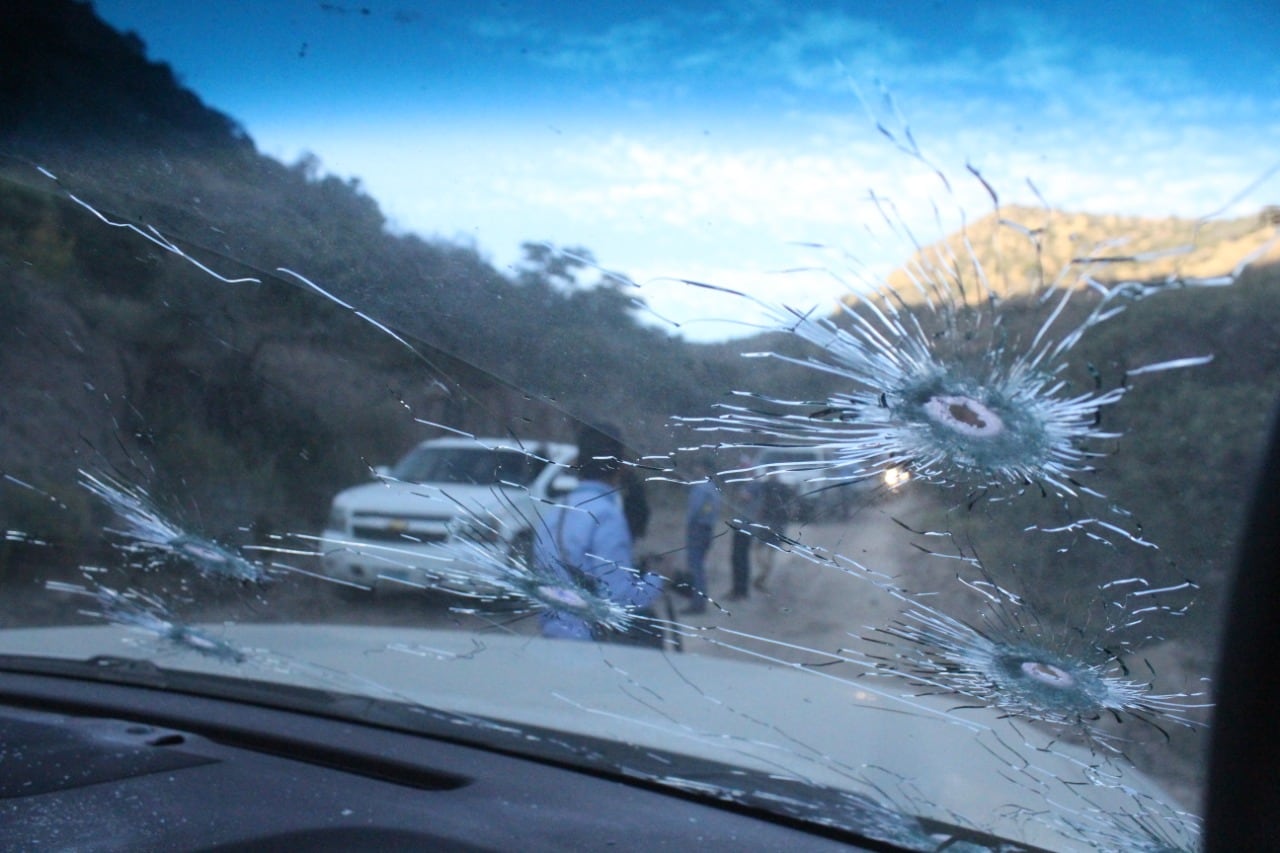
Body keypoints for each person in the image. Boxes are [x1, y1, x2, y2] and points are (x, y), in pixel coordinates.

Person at [532, 423, 662, 642]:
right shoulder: (607, 516)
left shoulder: (556, 512)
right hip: (591, 648)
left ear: (576, 464)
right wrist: (657, 577)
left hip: (552, 638)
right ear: (621, 468)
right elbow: (619, 601)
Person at [681, 459, 720, 614]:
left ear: (703, 468)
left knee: (695, 566)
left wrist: (689, 523)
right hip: (708, 528)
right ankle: (700, 601)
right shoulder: (713, 488)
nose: (695, 469)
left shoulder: (701, 488)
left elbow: (695, 509)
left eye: (697, 466)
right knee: (699, 566)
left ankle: (697, 603)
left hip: (698, 528)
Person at [751, 477, 793, 592]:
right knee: (771, 552)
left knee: (758, 548)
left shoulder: (764, 486)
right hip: (779, 523)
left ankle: (763, 571)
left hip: (766, 521)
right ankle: (764, 574)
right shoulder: (785, 488)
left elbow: (758, 501)